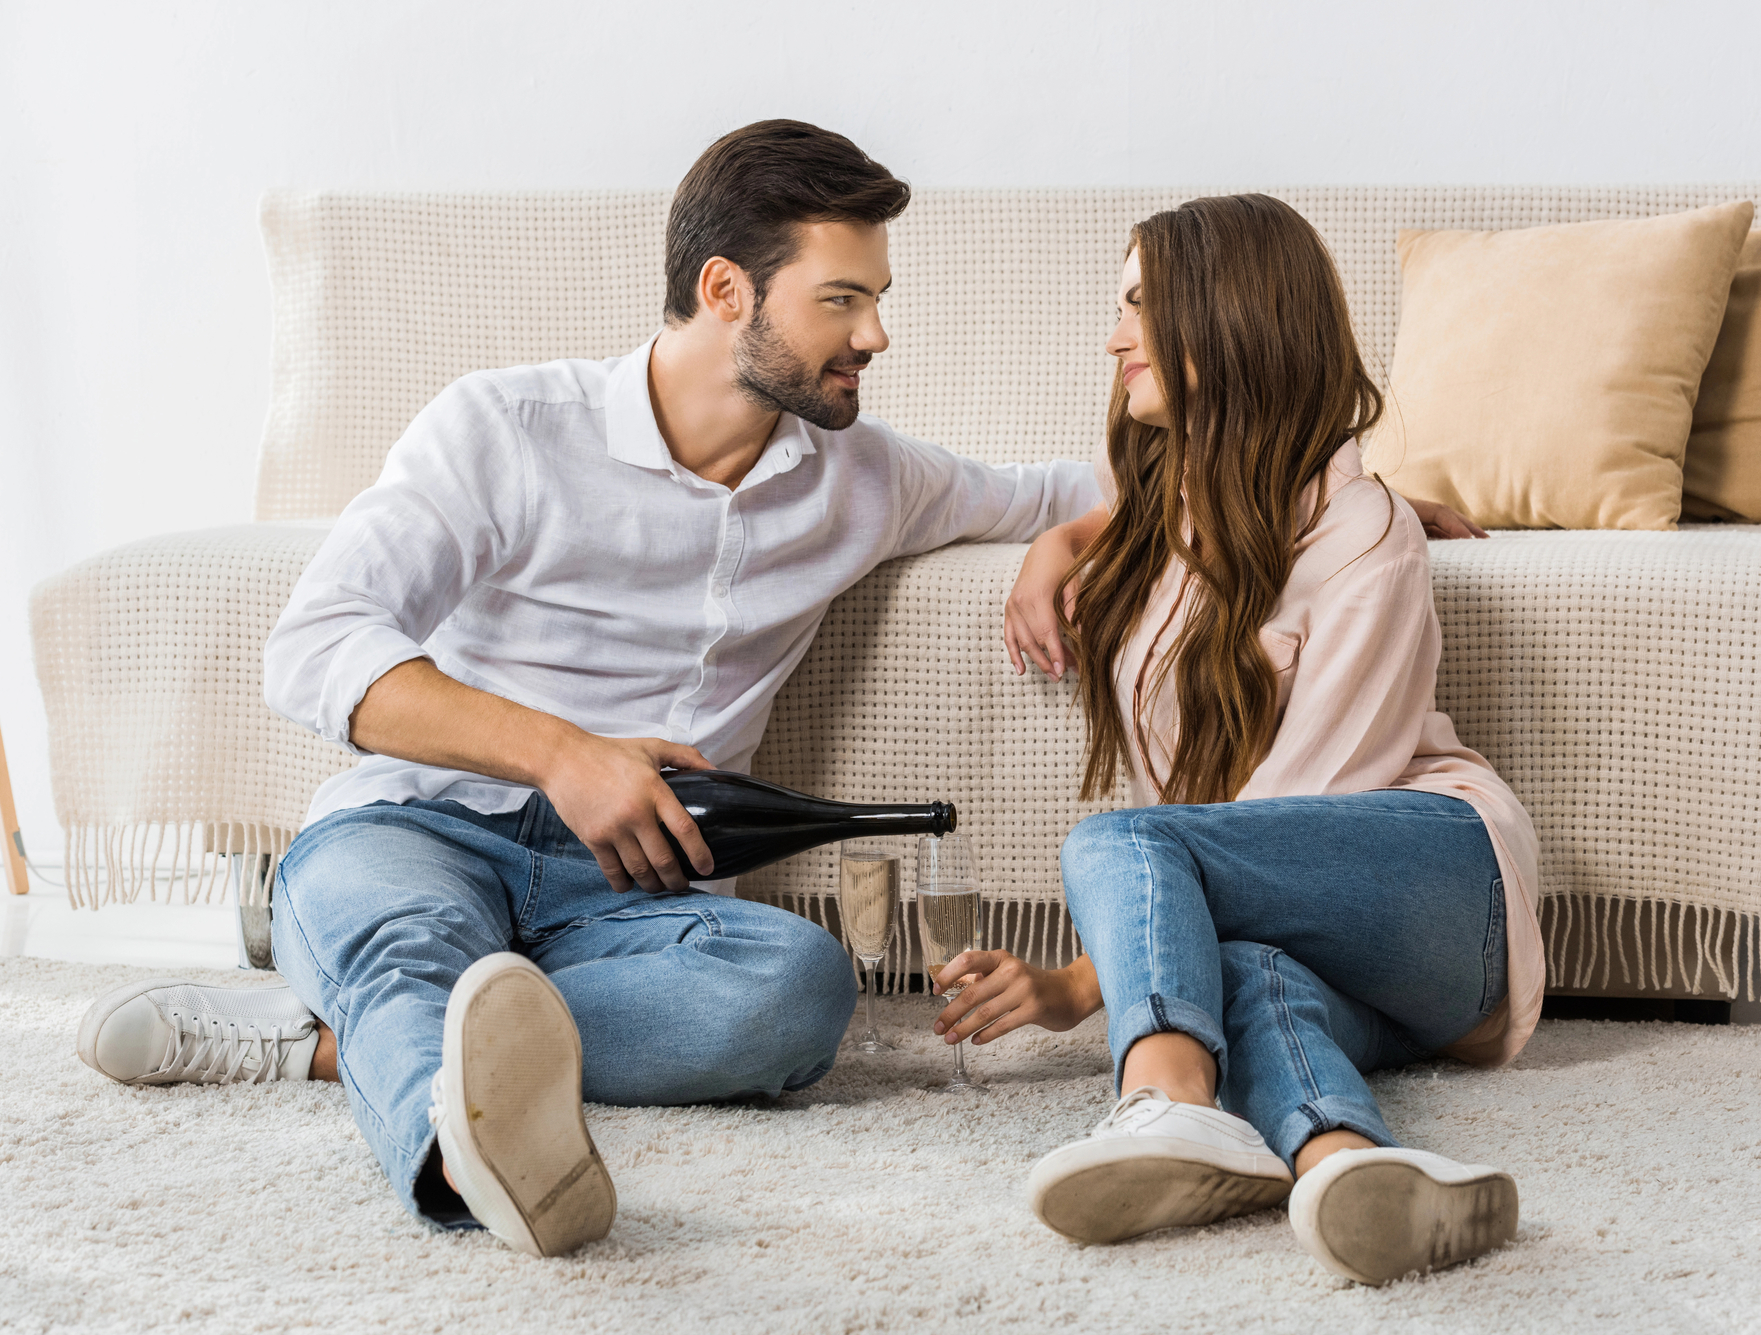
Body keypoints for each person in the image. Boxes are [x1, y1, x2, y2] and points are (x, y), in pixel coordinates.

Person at [71, 120, 1111, 1258]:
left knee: (795, 991)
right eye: (841, 300)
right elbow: (315, 644)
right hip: (422, 828)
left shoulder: (867, 477)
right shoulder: (506, 429)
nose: (875, 334)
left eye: (877, 299)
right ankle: (460, 1154)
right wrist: (565, 755)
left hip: (631, 899)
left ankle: (327, 1039)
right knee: (402, 934)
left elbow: (1098, 487)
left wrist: (1061, 544)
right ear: (725, 290)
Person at [930, 193, 1539, 1286]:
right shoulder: (1173, 511)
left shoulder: (1364, 532)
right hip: (1318, 948)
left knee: (1119, 841)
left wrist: (1083, 983)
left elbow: (1314, 800)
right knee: (1247, 980)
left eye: (1139, 306)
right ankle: (1350, 1171)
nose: (1114, 337)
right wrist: (1055, 544)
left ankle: (1164, 1099)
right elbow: (1122, 512)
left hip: (1439, 887)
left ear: (1227, 319)